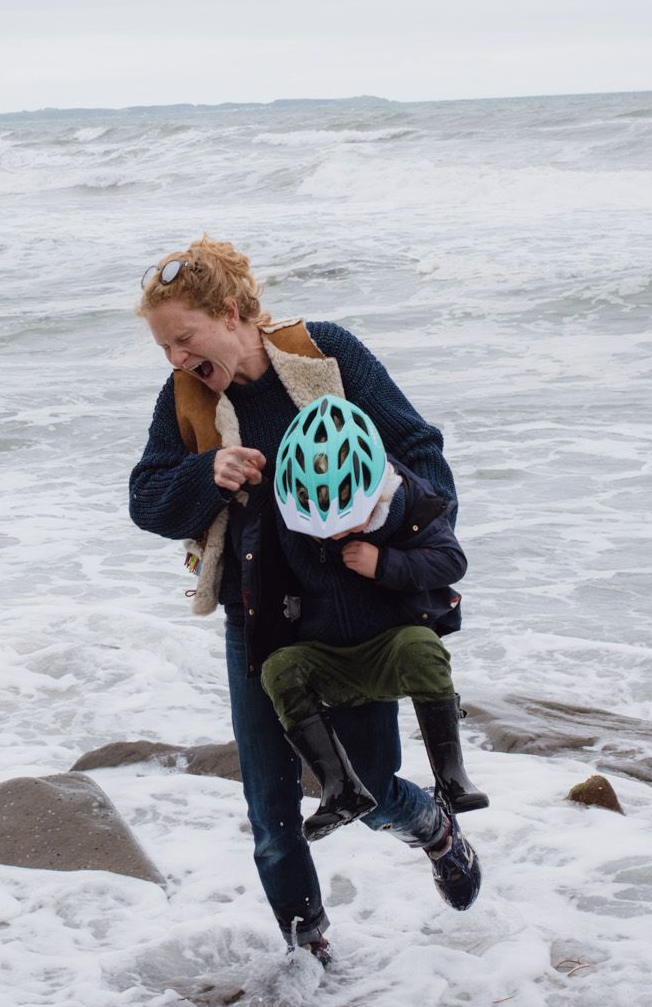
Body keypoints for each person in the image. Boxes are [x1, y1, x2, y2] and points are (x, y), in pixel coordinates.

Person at [127, 236, 484, 965]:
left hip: (351, 612)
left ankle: (437, 832)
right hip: (256, 620)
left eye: (184, 338)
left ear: (231, 313)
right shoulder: (187, 397)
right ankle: (308, 958)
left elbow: (424, 454)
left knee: (373, 785)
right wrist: (208, 472)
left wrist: (380, 517)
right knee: (271, 811)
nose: (175, 359)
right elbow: (146, 500)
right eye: (163, 346)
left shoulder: (327, 354)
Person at [259, 394, 489, 841]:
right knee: (279, 668)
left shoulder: (407, 500)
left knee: (420, 646)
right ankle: (340, 788)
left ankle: (451, 775)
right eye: (321, 524)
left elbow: (451, 562)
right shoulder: (289, 511)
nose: (336, 533)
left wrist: (384, 564)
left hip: (387, 650)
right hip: (327, 656)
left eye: (349, 520)